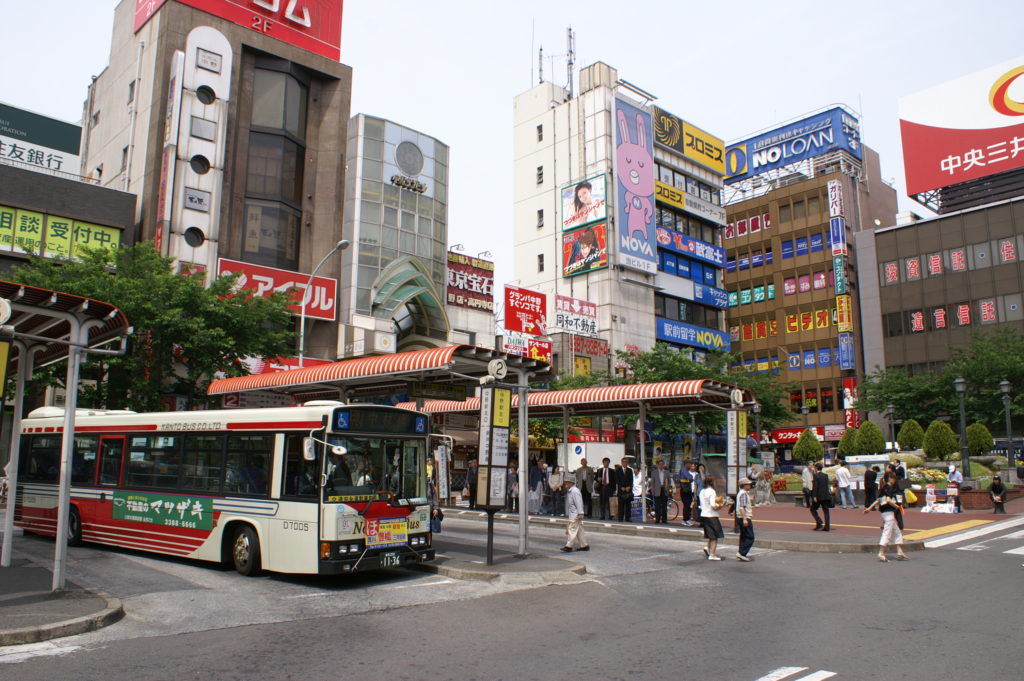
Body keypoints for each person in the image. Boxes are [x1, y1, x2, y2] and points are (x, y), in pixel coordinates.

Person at [864, 470, 909, 562]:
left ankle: (900, 551)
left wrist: (869, 508)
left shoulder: (883, 488)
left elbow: (879, 500)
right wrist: (898, 507)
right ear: (890, 478)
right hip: (889, 513)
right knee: (887, 532)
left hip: (886, 513)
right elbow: (888, 500)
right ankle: (881, 553)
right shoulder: (889, 488)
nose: (895, 480)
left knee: (896, 532)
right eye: (893, 478)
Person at [560, 473, 589, 552]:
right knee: (579, 530)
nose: (565, 483)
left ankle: (569, 546)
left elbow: (579, 503)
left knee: (572, 529)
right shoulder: (571, 491)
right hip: (574, 513)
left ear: (571, 483)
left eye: (567, 482)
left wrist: (580, 513)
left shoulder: (574, 491)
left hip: (575, 514)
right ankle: (584, 545)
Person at [698, 475, 725, 560]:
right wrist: (720, 505)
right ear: (712, 482)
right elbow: (713, 505)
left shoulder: (702, 491)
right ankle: (712, 554)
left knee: (710, 534)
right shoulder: (712, 491)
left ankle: (707, 547)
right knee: (715, 536)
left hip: (704, 514)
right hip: (712, 515)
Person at [735, 476, 755, 561]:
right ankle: (742, 552)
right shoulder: (743, 494)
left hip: (740, 517)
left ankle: (741, 552)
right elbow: (742, 507)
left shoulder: (741, 493)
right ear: (745, 485)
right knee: (750, 536)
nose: (750, 485)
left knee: (743, 536)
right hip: (744, 517)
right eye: (748, 484)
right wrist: (745, 519)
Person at [649, 458, 674, 524]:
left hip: (664, 490)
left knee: (664, 506)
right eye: (660, 464)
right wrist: (653, 490)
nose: (661, 466)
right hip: (657, 490)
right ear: (658, 465)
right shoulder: (654, 472)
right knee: (657, 506)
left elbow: (669, 481)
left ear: (664, 465)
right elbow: (652, 482)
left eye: (662, 464)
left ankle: (664, 519)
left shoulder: (666, 472)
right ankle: (657, 519)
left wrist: (668, 488)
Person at [809, 462, 832, 531]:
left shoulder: (816, 476)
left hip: (818, 496)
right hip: (825, 495)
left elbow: (815, 486)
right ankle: (827, 526)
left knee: (813, 509)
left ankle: (819, 522)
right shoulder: (826, 475)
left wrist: (814, 496)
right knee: (826, 511)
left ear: (816, 468)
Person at [615, 457, 635, 522]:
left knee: (628, 505)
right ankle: (620, 518)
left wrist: (629, 487)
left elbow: (631, 480)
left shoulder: (630, 470)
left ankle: (628, 518)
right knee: (621, 505)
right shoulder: (618, 470)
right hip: (621, 490)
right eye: (624, 462)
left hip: (628, 490)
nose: (625, 463)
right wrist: (621, 487)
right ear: (621, 463)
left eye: (626, 462)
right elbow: (617, 479)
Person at [678, 461, 696, 526]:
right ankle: (686, 520)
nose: (691, 466)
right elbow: (690, 477)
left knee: (688, 505)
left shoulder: (685, 470)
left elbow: (690, 478)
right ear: (686, 464)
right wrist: (690, 478)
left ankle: (686, 519)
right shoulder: (683, 470)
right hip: (685, 490)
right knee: (687, 505)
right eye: (690, 464)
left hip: (687, 489)